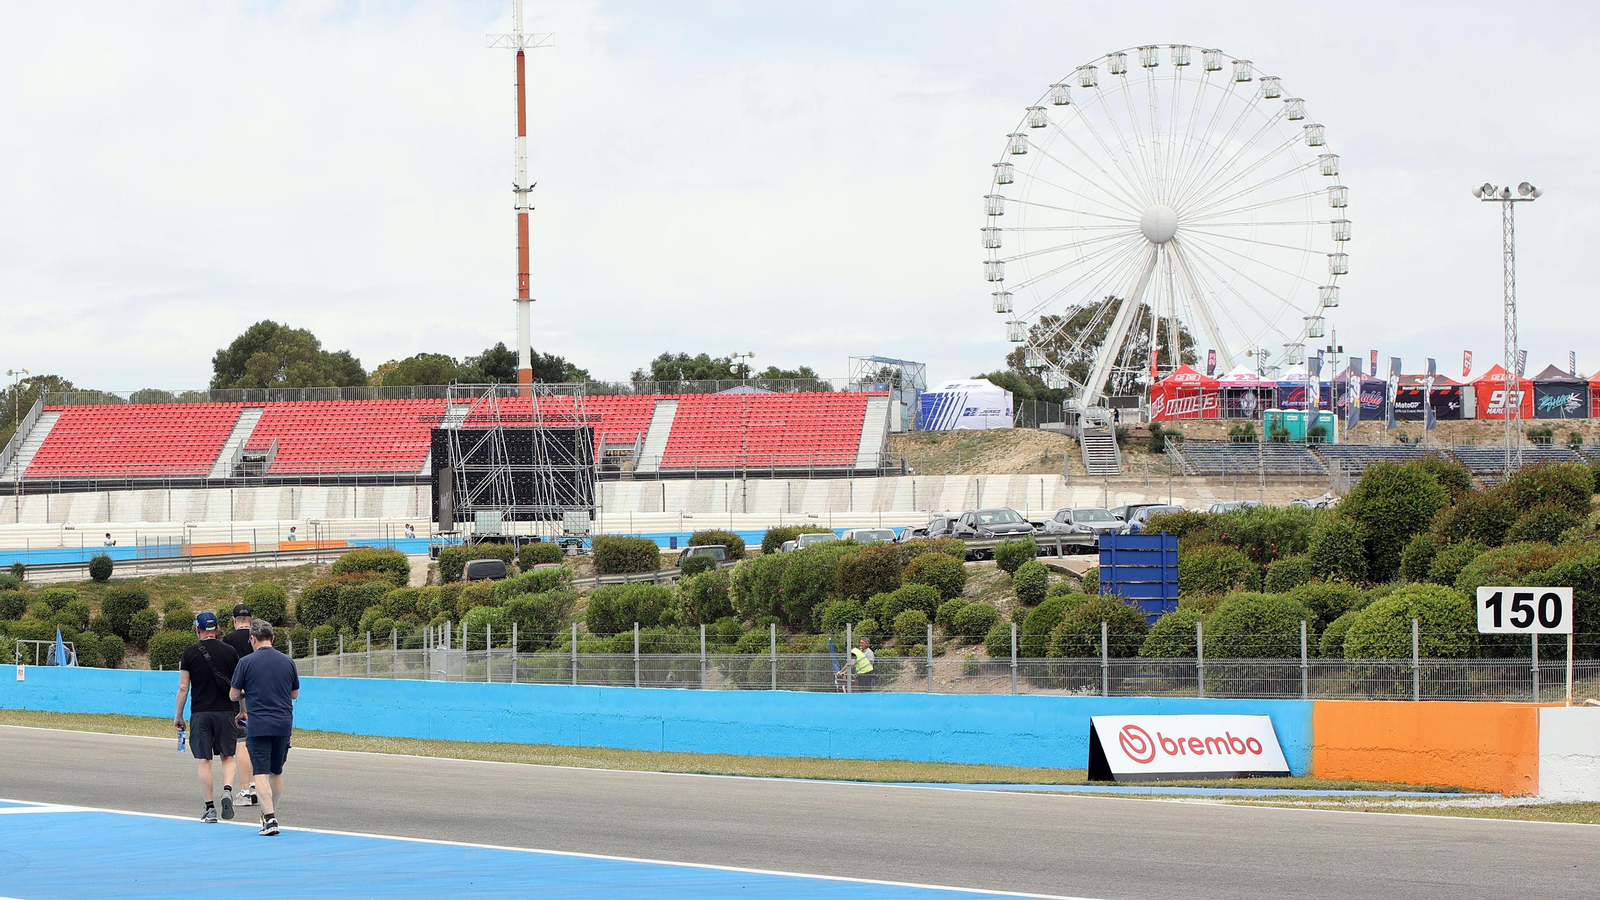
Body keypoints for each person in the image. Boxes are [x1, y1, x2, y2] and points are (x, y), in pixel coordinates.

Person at [230, 620, 299, 837]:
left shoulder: (246, 662)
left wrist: (245, 693)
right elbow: (294, 694)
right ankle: (270, 812)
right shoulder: (288, 662)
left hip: (259, 723)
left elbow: (233, 694)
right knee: (276, 771)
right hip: (283, 723)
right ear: (273, 638)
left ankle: (269, 818)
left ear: (253, 639)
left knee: (259, 772)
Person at [174, 612, 241, 823]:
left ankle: (210, 808)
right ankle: (228, 790)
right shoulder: (231, 652)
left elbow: (184, 687)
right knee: (228, 756)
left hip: (201, 713)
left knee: (204, 761)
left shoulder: (190, 653)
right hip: (226, 712)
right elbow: (241, 685)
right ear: (218, 630)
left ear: (197, 630)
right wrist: (243, 710)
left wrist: (178, 715)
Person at [220, 603, 259, 807]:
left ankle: (246, 789)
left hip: (238, 696)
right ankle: (256, 784)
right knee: (255, 742)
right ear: (251, 621)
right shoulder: (258, 638)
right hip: (259, 697)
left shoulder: (228, 640)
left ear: (234, 620)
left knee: (241, 743)